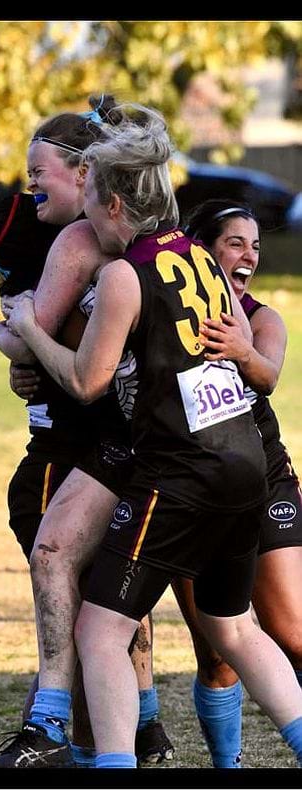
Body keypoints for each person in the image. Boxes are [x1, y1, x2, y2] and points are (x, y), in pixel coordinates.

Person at [5, 104, 302, 769]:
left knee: (99, 629)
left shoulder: (122, 275)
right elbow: (246, 355)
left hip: (181, 472)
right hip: (247, 461)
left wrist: (29, 329)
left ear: (112, 205)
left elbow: (85, 382)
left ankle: (114, 764)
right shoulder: (201, 257)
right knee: (233, 627)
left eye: (87, 197)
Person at [0, 98, 172, 768]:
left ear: (90, 177)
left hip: (114, 443)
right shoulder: (153, 233)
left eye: (41, 172)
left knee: (65, 563)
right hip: (164, 441)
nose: (30, 184)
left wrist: (20, 330)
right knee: (113, 591)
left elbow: (40, 350)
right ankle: (140, 726)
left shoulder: (84, 241)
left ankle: (57, 724)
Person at [171, 200, 302, 767]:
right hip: (194, 488)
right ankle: (229, 767)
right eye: (235, 243)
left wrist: (241, 349)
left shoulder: (263, 316)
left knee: (294, 630)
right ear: (201, 251)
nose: (249, 254)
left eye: (255, 245)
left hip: (266, 481)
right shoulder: (166, 314)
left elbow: (268, 374)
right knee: (217, 652)